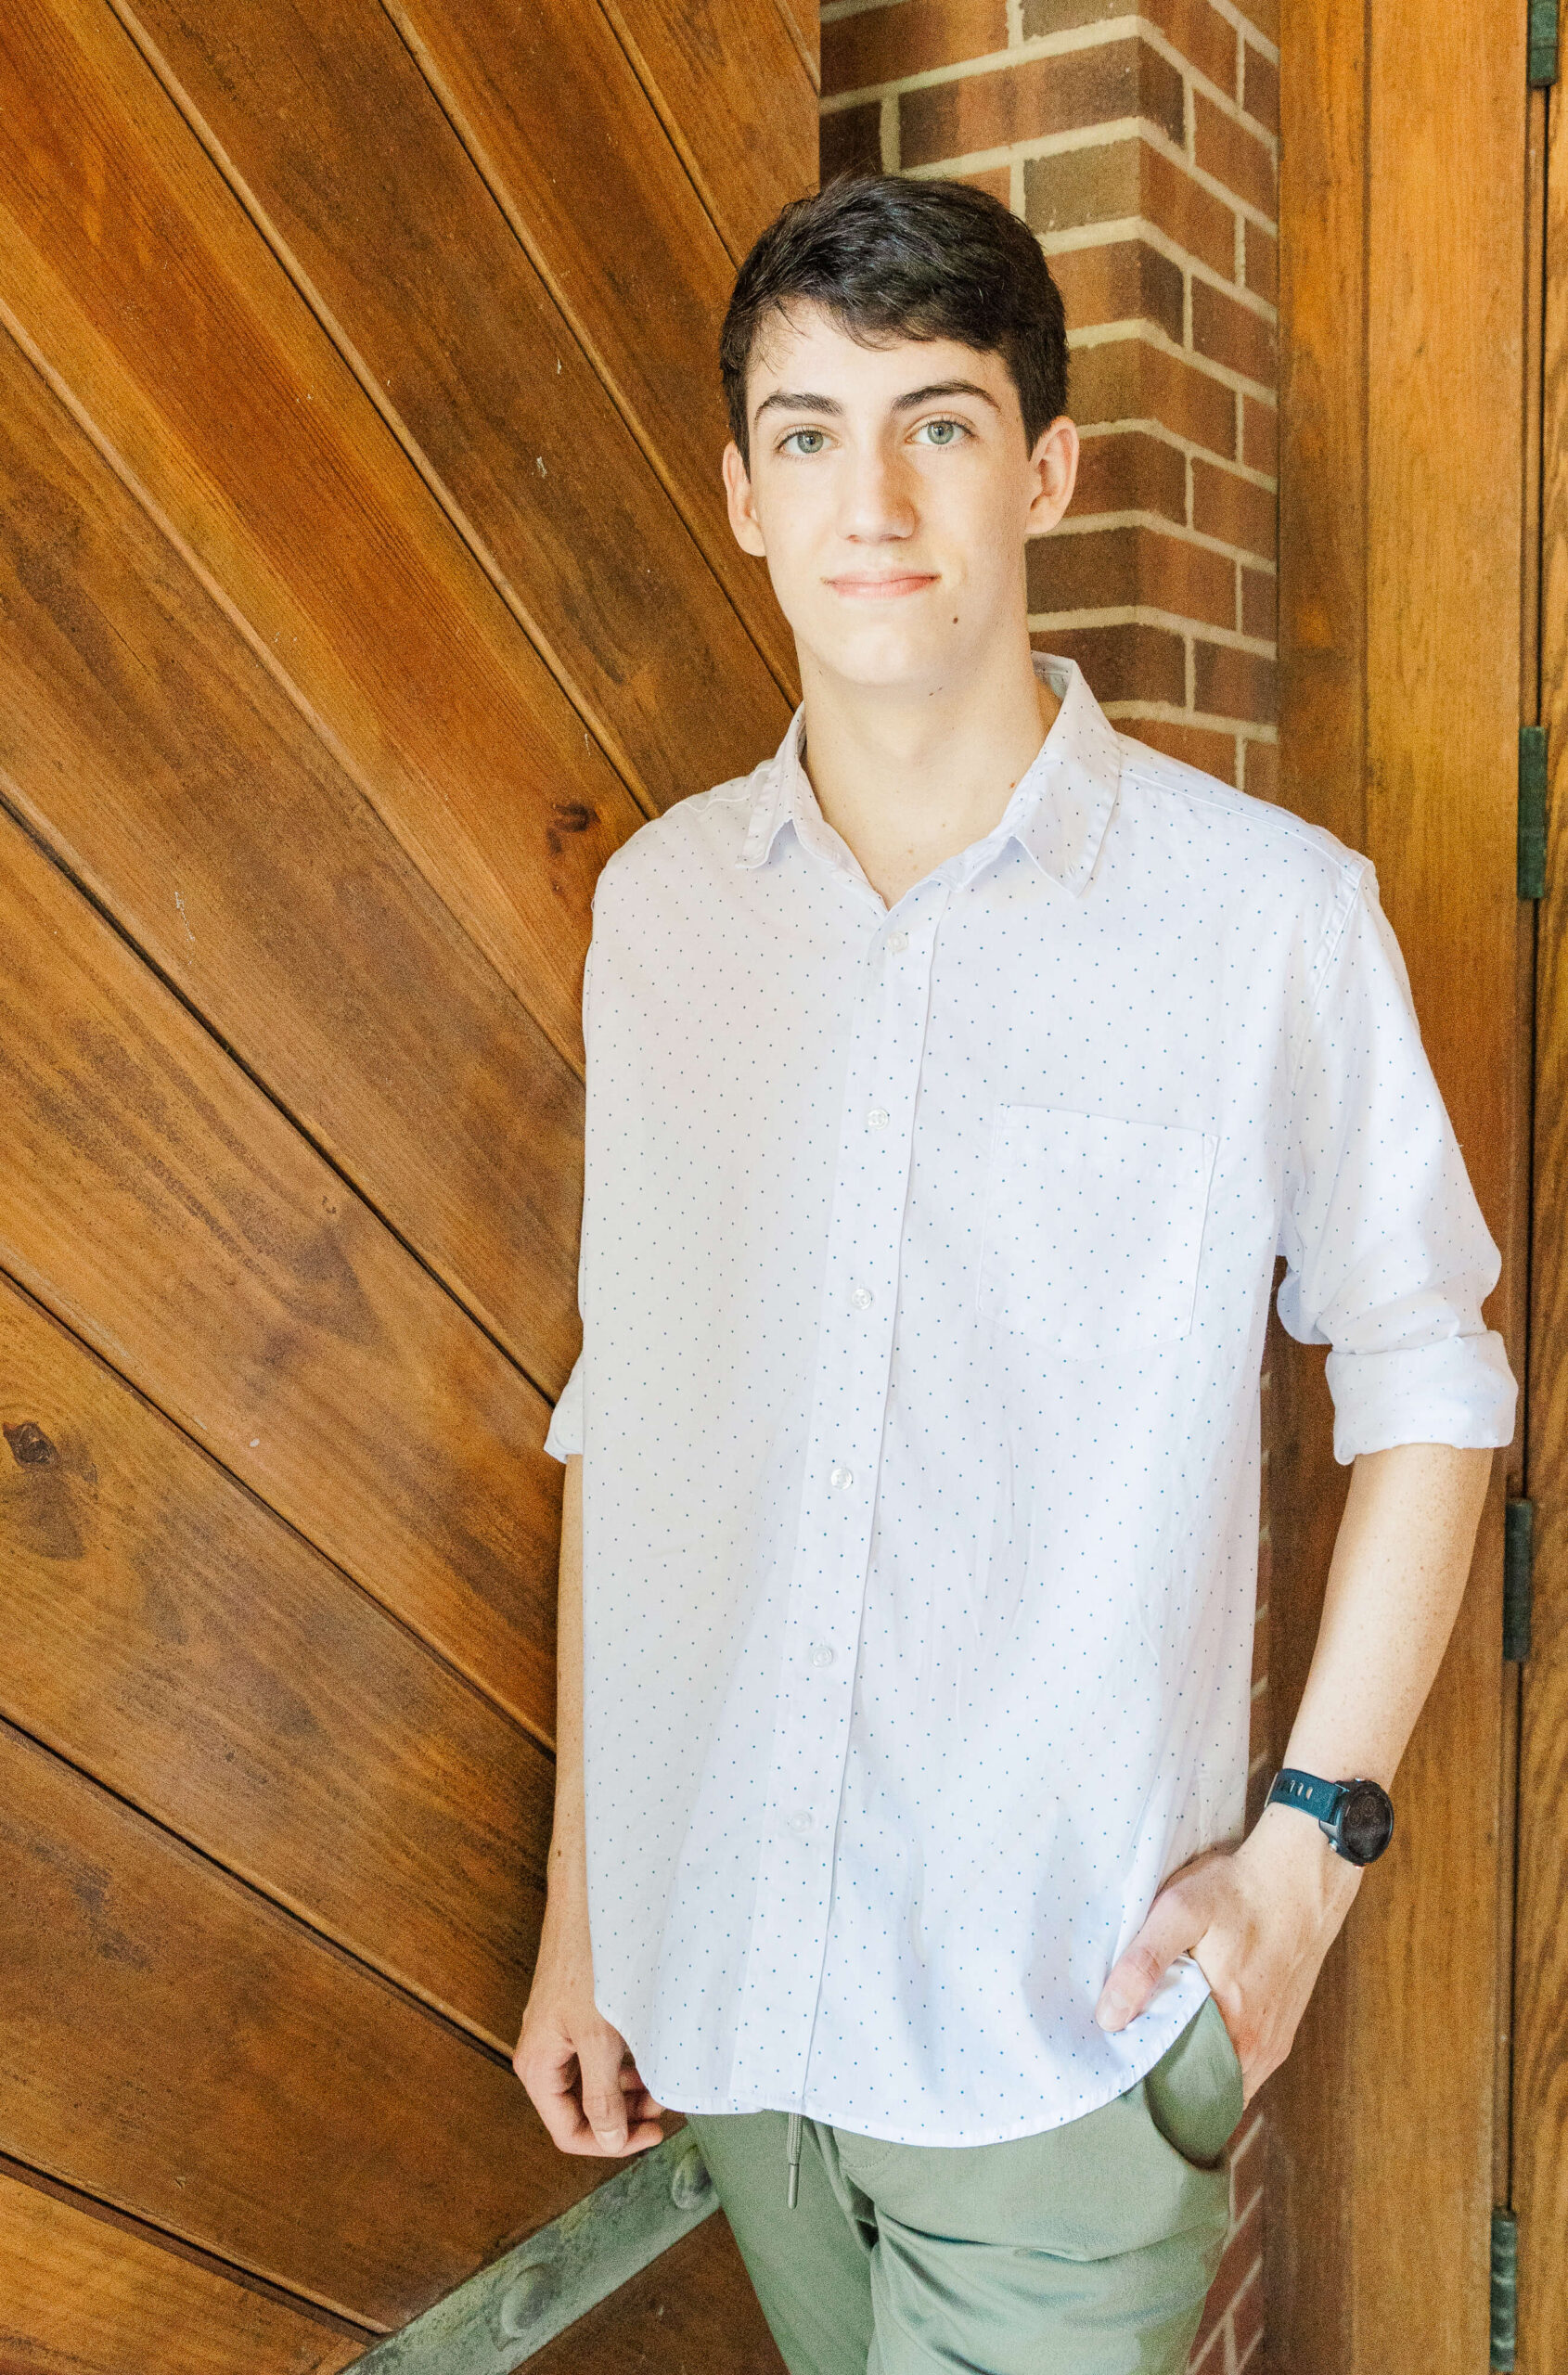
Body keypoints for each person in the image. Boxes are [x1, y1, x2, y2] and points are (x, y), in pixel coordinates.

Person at [512, 173, 1514, 2375]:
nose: (867, 495)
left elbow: (1431, 1373)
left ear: (1040, 468)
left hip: (1051, 2038)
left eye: (936, 424)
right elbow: (631, 1411)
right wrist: (590, 1905)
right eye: (803, 432)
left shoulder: (1262, 917)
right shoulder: (664, 913)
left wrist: (1308, 1855)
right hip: (731, 2020)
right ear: (740, 491)